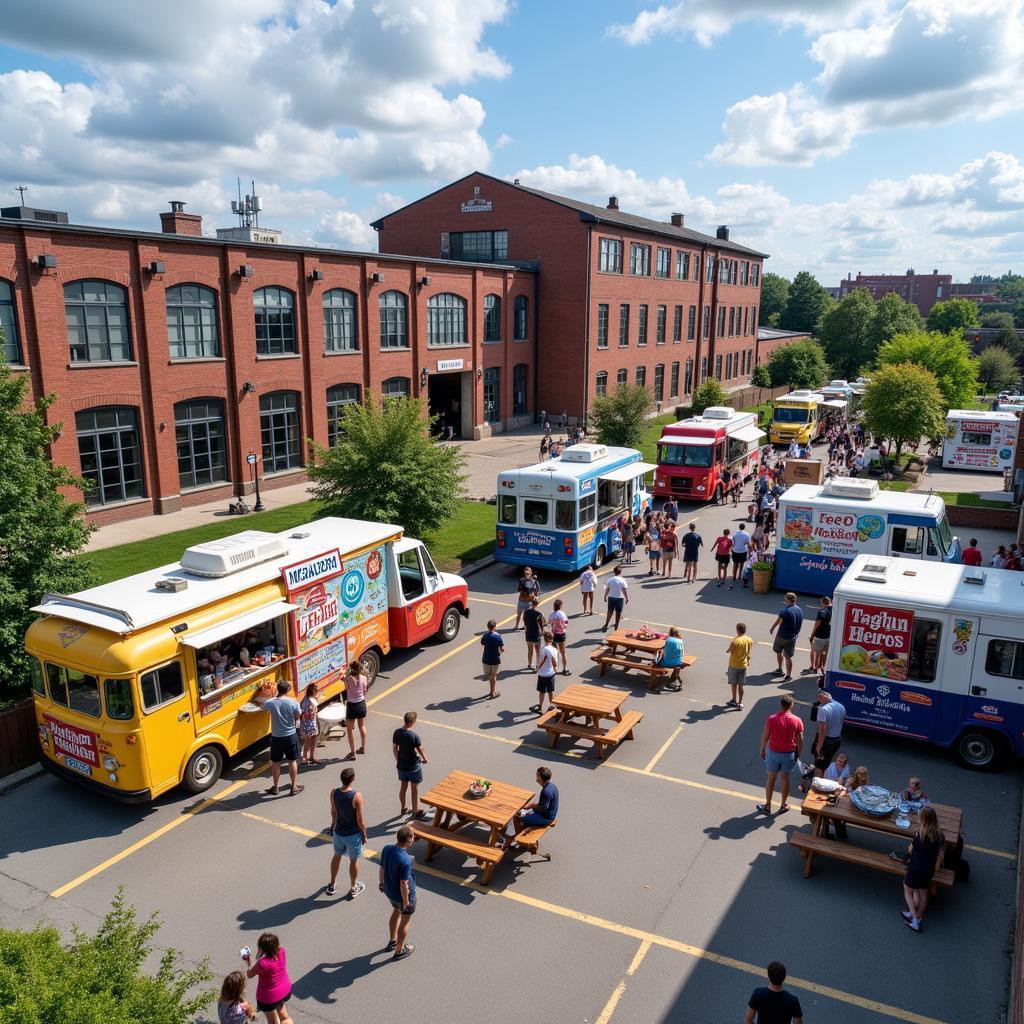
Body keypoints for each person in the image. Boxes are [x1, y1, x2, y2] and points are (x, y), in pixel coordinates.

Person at [898, 805, 945, 932]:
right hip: (929, 869)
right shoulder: (939, 836)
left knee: (907, 889)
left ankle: (913, 918)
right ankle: (919, 917)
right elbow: (940, 854)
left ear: (922, 820)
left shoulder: (919, 834)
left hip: (916, 868)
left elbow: (910, 849)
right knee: (923, 891)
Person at [757, 695, 804, 816]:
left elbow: (765, 736)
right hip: (788, 755)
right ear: (791, 705)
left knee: (771, 779)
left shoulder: (772, 719)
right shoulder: (797, 720)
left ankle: (767, 806)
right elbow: (800, 740)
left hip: (773, 753)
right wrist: (799, 753)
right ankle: (783, 804)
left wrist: (762, 749)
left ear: (781, 704)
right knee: (785, 779)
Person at [328, 766, 367, 899]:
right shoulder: (357, 796)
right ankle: (353, 887)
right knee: (353, 860)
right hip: (353, 835)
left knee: (336, 856)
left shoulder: (334, 792)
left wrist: (333, 825)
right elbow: (360, 820)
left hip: (338, 833)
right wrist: (365, 834)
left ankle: (332, 884)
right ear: (353, 779)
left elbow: (333, 811)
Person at [380, 826, 417, 959]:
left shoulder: (387, 849)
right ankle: (399, 951)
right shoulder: (406, 860)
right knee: (405, 922)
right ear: (409, 840)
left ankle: (392, 941)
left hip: (390, 892)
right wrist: (406, 901)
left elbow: (382, 867)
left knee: (396, 911)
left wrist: (381, 883)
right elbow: (404, 884)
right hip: (403, 896)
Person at [263, 681, 304, 797]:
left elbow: (264, 706)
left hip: (276, 737)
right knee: (292, 761)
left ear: (277, 689)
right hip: (291, 736)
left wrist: (271, 693)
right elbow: (297, 717)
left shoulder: (270, 703)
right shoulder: (293, 702)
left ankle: (275, 787)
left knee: (276, 763)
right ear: (287, 690)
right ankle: (293, 786)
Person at [502, 766, 559, 848]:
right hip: (549, 814)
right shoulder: (552, 786)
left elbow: (543, 808)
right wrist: (533, 807)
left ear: (541, 777)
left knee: (517, 819)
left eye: (537, 775)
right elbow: (544, 805)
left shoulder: (546, 792)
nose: (536, 776)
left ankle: (508, 842)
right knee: (523, 814)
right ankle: (516, 835)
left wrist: (530, 806)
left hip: (546, 818)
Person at [243, 933, 292, 1024]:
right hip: (285, 990)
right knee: (284, 1016)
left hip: (268, 999)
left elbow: (249, 975)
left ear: (262, 949)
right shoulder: (282, 952)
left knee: (273, 1021)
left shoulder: (262, 963)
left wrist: (249, 963)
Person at [392, 711, 430, 820]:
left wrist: (398, 760)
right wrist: (425, 758)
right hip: (413, 767)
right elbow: (420, 749)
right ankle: (415, 811)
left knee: (403, 786)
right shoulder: (414, 736)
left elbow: (395, 748)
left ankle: (403, 808)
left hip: (402, 766)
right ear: (412, 722)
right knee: (414, 788)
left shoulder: (397, 733)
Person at [812, 686, 846, 777]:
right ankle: (824, 781)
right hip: (836, 740)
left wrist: (819, 745)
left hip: (826, 742)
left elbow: (822, 730)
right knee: (827, 762)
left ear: (822, 697)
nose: (819, 702)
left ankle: (818, 786)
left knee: (819, 765)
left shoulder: (823, 710)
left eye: (819, 698)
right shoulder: (841, 706)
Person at [769, 592, 803, 682]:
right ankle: (788, 675)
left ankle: (780, 669)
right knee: (788, 657)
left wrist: (772, 629)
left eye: (785, 598)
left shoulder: (785, 611)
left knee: (778, 651)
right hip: (793, 636)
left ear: (787, 600)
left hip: (782, 636)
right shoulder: (800, 610)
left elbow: (778, 621)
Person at [341, 660, 369, 761]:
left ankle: (353, 753)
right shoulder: (364, 678)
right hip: (361, 703)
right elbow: (365, 690)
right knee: (362, 726)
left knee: (349, 730)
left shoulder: (348, 678)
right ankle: (363, 747)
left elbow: (346, 688)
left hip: (352, 705)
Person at [531, 630, 559, 715]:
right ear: (552, 639)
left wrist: (537, 668)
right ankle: (552, 706)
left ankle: (540, 706)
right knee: (550, 691)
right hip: (551, 673)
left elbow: (541, 661)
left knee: (542, 691)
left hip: (542, 674)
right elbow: (555, 662)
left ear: (544, 639)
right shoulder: (555, 649)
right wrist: (555, 669)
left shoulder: (543, 649)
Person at [726, 622, 753, 709]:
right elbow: (749, 648)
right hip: (743, 665)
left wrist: (728, 650)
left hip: (734, 665)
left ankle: (734, 700)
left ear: (738, 630)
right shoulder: (749, 639)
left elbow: (729, 650)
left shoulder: (735, 641)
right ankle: (740, 702)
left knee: (734, 684)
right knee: (741, 685)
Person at [655, 626, 685, 693]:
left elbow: (664, 653)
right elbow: (682, 653)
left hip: (666, 663)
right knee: (675, 660)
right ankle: (673, 680)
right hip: (678, 663)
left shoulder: (668, 640)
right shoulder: (680, 641)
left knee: (658, 654)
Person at [480, 619, 504, 699]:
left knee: (490, 675)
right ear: (495, 627)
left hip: (486, 659)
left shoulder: (485, 636)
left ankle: (491, 690)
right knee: (493, 676)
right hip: (495, 659)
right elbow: (502, 649)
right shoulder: (498, 636)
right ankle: (493, 692)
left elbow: (482, 643)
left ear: (488, 627)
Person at [807, 596, 832, 674]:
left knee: (817, 652)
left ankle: (815, 667)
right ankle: (822, 667)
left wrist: (812, 635)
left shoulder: (822, 611)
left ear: (823, 603)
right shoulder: (834, 609)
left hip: (819, 636)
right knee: (824, 653)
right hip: (828, 635)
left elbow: (817, 623)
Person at [523, 597, 546, 671]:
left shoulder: (526, 611)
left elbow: (524, 620)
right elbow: (542, 624)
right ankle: (537, 666)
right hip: (536, 633)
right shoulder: (539, 613)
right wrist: (542, 631)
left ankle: (529, 664)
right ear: (537, 604)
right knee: (537, 651)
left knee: (530, 650)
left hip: (528, 633)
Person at [299, 683, 319, 766]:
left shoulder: (312, 699)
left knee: (313, 740)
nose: (316, 693)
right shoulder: (306, 701)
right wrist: (311, 712)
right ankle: (304, 757)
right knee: (308, 741)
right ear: (313, 692)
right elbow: (302, 714)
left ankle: (311, 756)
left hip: (313, 724)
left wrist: (315, 711)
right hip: (307, 725)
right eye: (315, 691)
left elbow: (315, 709)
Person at [602, 565, 629, 630]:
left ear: (614, 572)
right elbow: (624, 589)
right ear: (620, 572)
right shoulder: (622, 580)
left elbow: (607, 589)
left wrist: (605, 596)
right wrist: (626, 598)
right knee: (618, 613)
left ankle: (606, 624)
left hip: (611, 598)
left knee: (610, 611)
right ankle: (616, 626)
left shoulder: (610, 580)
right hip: (619, 598)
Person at [549, 599, 570, 674]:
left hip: (554, 634)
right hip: (562, 634)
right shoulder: (562, 614)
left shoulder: (551, 614)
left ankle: (554, 668)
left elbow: (549, 623)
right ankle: (565, 668)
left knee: (554, 653)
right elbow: (566, 622)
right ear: (560, 606)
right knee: (563, 653)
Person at [731, 522, 751, 586]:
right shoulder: (747, 534)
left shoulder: (735, 534)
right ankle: (739, 576)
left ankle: (734, 576)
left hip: (736, 551)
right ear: (744, 527)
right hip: (743, 551)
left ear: (739, 527)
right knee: (742, 564)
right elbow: (748, 543)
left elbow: (733, 542)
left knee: (735, 564)